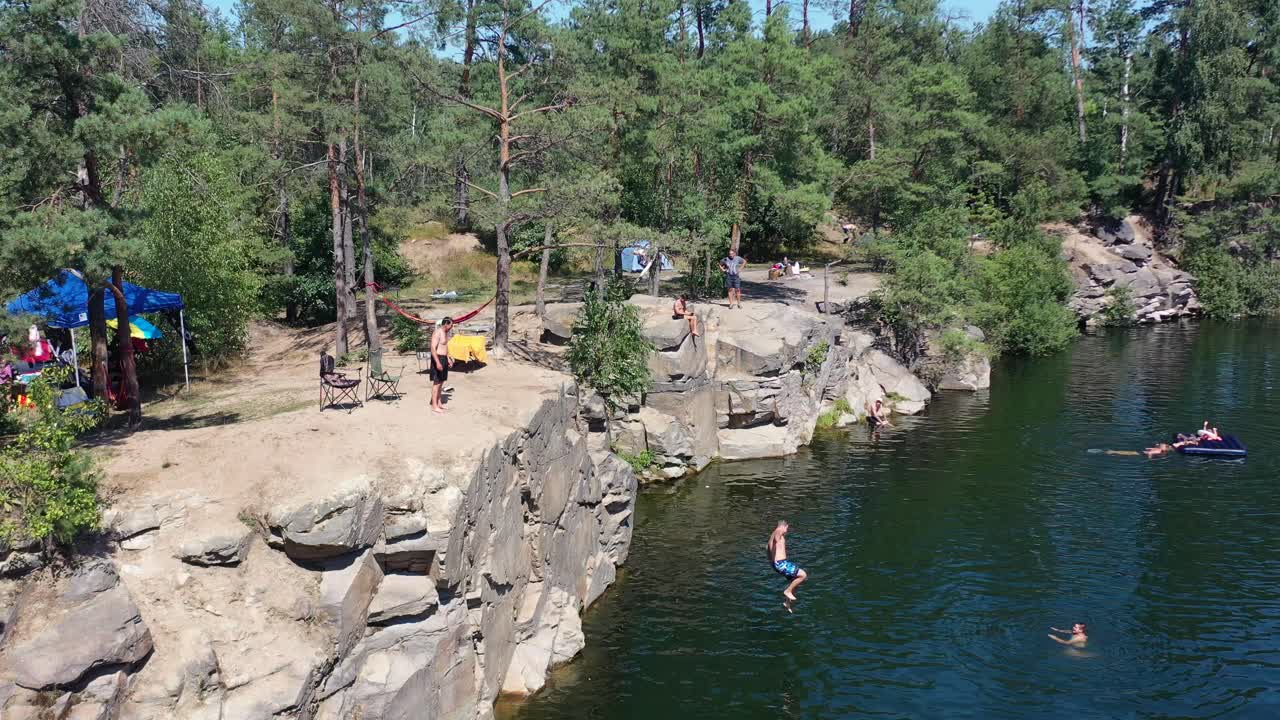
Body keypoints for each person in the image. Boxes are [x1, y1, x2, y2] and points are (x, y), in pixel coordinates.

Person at [767, 520, 808, 612]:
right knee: (803, 575)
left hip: (778, 564)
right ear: (785, 526)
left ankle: (787, 603)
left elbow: (768, 549)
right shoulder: (778, 531)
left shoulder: (772, 537)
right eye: (787, 529)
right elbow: (778, 534)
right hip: (781, 563)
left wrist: (772, 563)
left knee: (796, 581)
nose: (786, 531)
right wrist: (780, 532)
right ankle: (787, 591)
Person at [429, 317, 455, 415]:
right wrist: (437, 362)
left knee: (441, 382)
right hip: (438, 358)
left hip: (443, 359)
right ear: (446, 324)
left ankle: (439, 402)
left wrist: (448, 359)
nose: (451, 327)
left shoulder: (445, 333)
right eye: (451, 325)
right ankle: (434, 406)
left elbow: (445, 346)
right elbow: (432, 348)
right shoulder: (437, 332)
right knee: (437, 383)